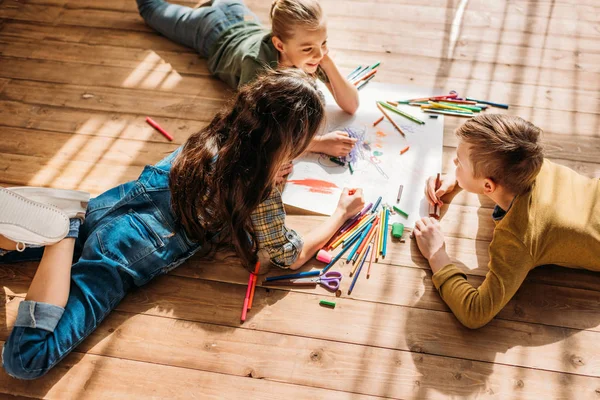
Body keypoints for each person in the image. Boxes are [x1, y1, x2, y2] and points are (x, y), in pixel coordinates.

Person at [1, 70, 365, 379]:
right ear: (282, 146)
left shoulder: (222, 130)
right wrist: (341, 213)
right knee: (27, 359)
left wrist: (306, 147)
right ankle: (62, 235)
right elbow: (289, 255)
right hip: (127, 246)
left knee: (34, 241)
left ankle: (63, 227)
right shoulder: (259, 189)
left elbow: (262, 138)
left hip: (109, 205)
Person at [414, 114, 600, 329]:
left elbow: (475, 312)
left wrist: (437, 255)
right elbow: (492, 177)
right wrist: (458, 178)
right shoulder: (528, 162)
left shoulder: (517, 237)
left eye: (460, 163)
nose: (454, 163)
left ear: (488, 187)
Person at [136, 0, 360, 158]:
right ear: (279, 45)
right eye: (309, 48)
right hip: (211, 29)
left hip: (239, 12)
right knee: (150, 8)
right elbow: (251, 130)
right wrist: (318, 144)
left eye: (323, 43)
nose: (319, 54)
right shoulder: (258, 67)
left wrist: (327, 62)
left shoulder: (309, 55)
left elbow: (351, 104)